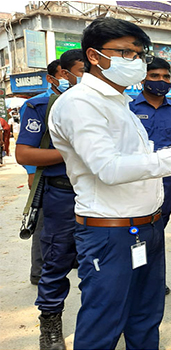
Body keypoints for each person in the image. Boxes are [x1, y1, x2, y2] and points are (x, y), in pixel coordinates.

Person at [48, 17, 171, 349]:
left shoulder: (120, 103)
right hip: (109, 232)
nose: (136, 61)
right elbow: (109, 169)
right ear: (94, 57)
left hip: (147, 228)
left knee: (145, 318)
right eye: (125, 52)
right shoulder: (80, 103)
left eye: (139, 53)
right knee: (103, 325)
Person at [15, 49, 84, 350]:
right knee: (55, 261)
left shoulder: (113, 105)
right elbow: (24, 153)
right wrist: (75, 153)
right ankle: (50, 326)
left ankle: (96, 323)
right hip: (63, 193)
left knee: (98, 262)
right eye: (81, 71)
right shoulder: (42, 105)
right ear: (62, 75)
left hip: (102, 196)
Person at [129, 57, 171, 228]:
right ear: (143, 79)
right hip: (133, 177)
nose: (162, 81)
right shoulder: (128, 108)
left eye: (166, 77)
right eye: (155, 76)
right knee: (133, 224)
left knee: (161, 221)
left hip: (166, 178)